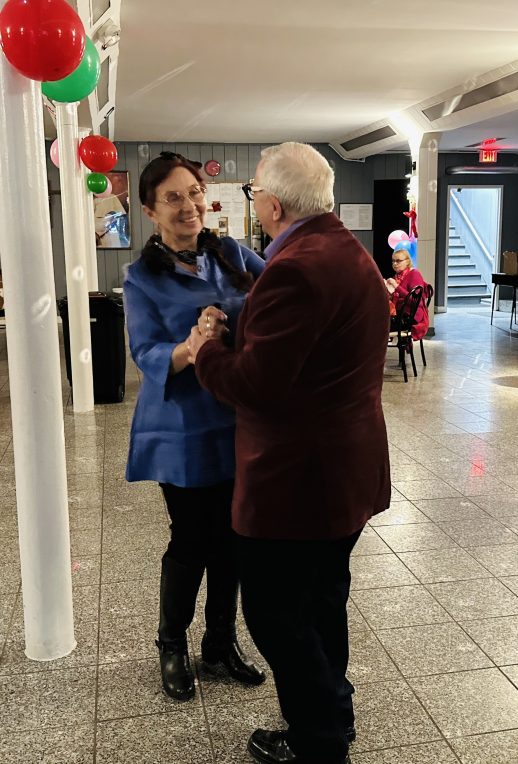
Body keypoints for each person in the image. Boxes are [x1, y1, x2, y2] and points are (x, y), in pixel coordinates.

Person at [186, 142, 390, 764]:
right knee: (323, 604)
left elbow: (257, 386)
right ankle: (332, 720)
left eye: (254, 195)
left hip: (298, 482)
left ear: (272, 204)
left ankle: (318, 745)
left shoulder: (296, 268)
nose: (254, 204)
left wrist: (206, 349)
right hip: (346, 469)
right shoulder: (345, 248)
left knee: (278, 618)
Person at [124, 151, 266, 701]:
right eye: (173, 198)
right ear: (150, 211)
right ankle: (172, 644)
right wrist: (191, 345)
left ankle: (220, 643)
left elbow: (278, 291)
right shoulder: (141, 278)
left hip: (236, 418)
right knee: (191, 538)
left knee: (234, 537)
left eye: (194, 193)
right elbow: (144, 352)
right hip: (180, 427)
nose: (189, 205)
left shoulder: (232, 253)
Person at [386, 247, 429, 340]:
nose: (395, 264)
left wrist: (396, 287)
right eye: (393, 261)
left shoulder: (414, 274)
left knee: (377, 324)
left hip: (411, 317)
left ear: (407, 261)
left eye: (398, 261)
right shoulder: (397, 276)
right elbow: (397, 299)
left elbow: (417, 302)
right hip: (400, 314)